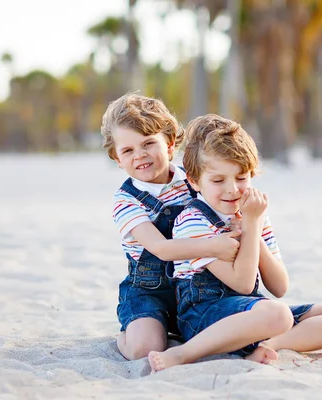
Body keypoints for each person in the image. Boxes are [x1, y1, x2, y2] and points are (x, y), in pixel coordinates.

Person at [148, 114, 322, 372]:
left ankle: (270, 345)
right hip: (205, 318)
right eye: (218, 180)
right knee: (277, 315)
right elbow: (242, 283)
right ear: (194, 180)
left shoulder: (254, 213)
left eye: (241, 178)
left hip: (253, 312)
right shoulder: (191, 221)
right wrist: (249, 226)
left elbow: (279, 286)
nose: (232, 190)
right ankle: (184, 353)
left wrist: (255, 230)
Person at [100, 94, 241, 361]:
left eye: (148, 144)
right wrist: (215, 246)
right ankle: (126, 338)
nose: (140, 155)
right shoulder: (126, 200)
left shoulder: (194, 180)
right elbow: (160, 248)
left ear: (170, 144)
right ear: (117, 158)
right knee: (144, 350)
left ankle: (182, 335)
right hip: (148, 291)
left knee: (229, 332)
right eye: (127, 151)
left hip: (195, 286)